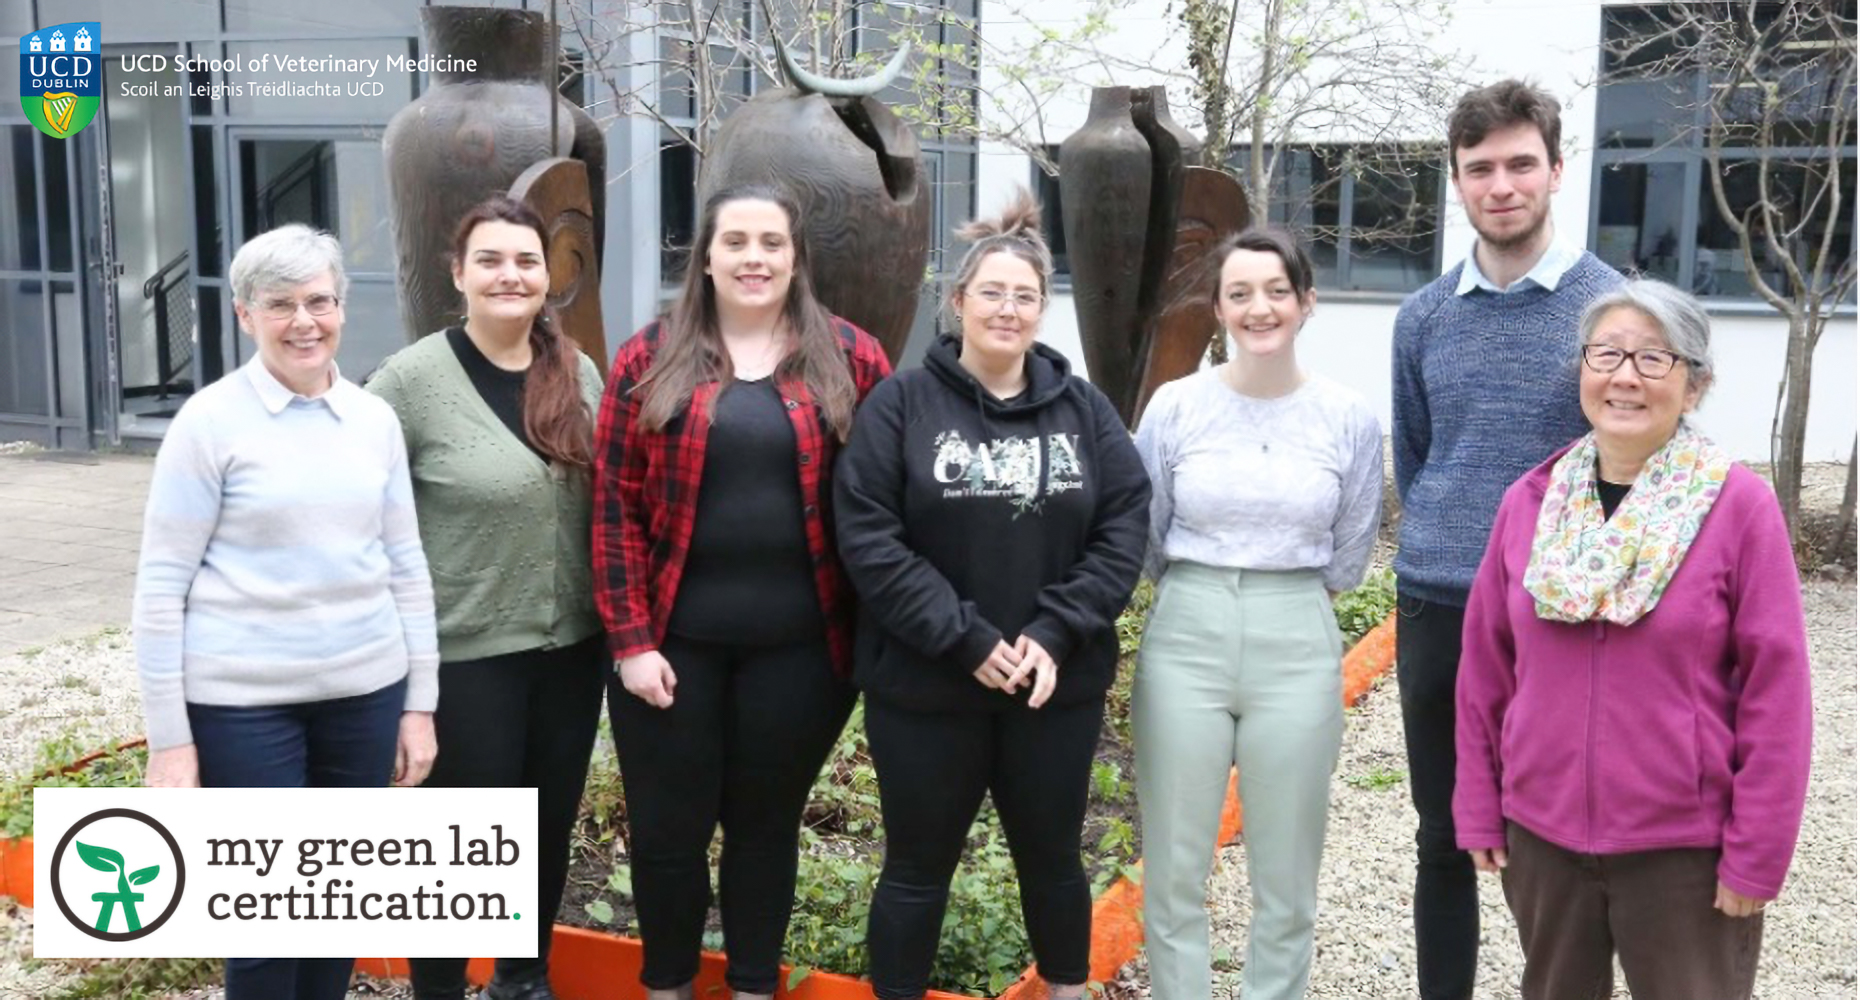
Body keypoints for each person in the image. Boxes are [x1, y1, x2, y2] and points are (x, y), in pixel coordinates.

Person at [832, 189, 1150, 1000]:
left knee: (1052, 861)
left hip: (1054, 689)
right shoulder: (900, 405)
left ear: (1043, 310)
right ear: (959, 301)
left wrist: (1055, 632)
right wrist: (966, 641)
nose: (1008, 310)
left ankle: (1069, 991)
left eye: (1026, 296)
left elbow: (1123, 525)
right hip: (926, 690)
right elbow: (870, 537)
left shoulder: (1084, 412)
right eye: (992, 293)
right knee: (914, 869)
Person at [1454, 280, 1811, 999]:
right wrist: (1478, 801)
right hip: (1544, 838)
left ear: (1695, 384)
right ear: (1583, 369)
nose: (1624, 376)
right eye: (1607, 352)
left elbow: (1779, 695)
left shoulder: (1738, 507)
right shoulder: (1532, 501)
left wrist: (1756, 853)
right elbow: (1485, 670)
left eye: (1654, 358)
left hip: (1684, 850)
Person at [592, 184, 892, 1000]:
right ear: (708, 257)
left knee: (764, 830)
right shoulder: (647, 358)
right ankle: (668, 987)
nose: (754, 258)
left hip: (804, 654)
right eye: (736, 242)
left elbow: (884, 504)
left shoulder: (853, 358)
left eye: (771, 243)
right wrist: (630, 642)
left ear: (796, 258)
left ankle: (755, 987)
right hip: (671, 651)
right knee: (666, 835)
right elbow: (614, 505)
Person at [133, 224, 438, 1000]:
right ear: (244, 315)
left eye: (319, 301)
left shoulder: (373, 421)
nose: (304, 321)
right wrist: (171, 742)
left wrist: (419, 705)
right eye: (280, 305)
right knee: (268, 922)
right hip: (244, 707)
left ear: (341, 306)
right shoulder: (208, 425)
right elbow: (161, 588)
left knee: (333, 909)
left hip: (364, 697)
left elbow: (406, 565)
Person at [1388, 78, 1625, 999]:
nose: (1501, 184)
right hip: (1438, 598)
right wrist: (1458, 537)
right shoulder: (1423, 317)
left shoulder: (1611, 310)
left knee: (1559, 837)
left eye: (1521, 163)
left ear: (1558, 171)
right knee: (1441, 833)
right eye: (1479, 168)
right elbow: (1420, 457)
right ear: (1457, 182)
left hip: (1563, 608)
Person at [1132, 227, 1383, 1000]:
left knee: (1286, 867)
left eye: (1276, 290)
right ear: (1218, 308)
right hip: (1186, 632)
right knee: (1174, 864)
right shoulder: (1175, 407)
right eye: (1239, 293)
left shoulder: (1349, 418)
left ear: (1306, 303)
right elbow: (1145, 532)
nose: (1259, 307)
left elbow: (1352, 550)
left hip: (1296, 633)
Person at [368, 195, 607, 1000]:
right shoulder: (409, 383)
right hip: (462, 659)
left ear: (548, 277)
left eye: (527, 261)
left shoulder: (576, 373)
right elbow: (368, 521)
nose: (511, 275)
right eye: (492, 260)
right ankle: (437, 989)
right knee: (459, 844)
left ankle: (522, 979)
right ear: (459, 274)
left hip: (570, 652)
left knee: (541, 834)